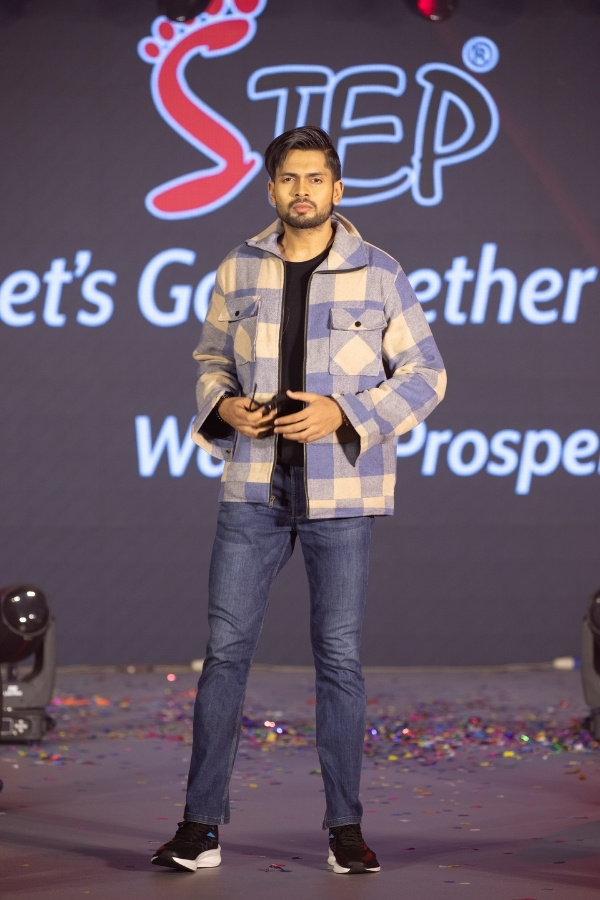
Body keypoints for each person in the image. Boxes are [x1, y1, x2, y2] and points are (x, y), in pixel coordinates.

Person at [152, 125, 446, 875]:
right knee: (224, 656)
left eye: (316, 178)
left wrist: (345, 414)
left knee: (339, 660)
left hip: (340, 494)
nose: (303, 191)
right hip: (252, 488)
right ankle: (199, 828)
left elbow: (426, 376)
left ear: (337, 189)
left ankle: (345, 830)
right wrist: (222, 407)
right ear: (272, 188)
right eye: (289, 178)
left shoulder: (380, 273)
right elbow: (210, 360)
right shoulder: (239, 267)